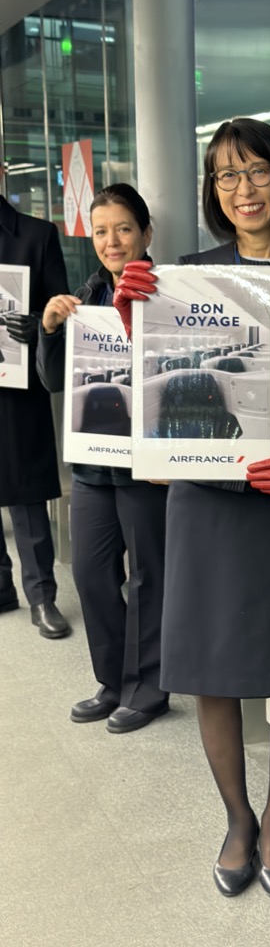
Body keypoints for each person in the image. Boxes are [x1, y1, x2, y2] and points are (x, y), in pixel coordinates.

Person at [113, 119, 270, 898]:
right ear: (211, 192)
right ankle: (236, 819)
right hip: (205, 504)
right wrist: (135, 322)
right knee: (210, 672)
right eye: (225, 177)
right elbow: (160, 379)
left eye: (256, 172)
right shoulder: (185, 275)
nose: (242, 190)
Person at [36, 184, 170, 733]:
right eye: (100, 231)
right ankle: (112, 680)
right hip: (93, 463)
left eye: (123, 229)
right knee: (91, 575)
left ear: (145, 233)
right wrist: (49, 330)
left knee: (147, 578)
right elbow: (52, 382)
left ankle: (149, 687)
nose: (112, 241)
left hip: (145, 465)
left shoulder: (169, 296)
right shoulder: (87, 300)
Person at [0, 169, 70, 638]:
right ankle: (1, 588)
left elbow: (62, 310)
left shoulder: (36, 235)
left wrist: (36, 321)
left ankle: (42, 596)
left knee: (25, 490)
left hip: (16, 383)